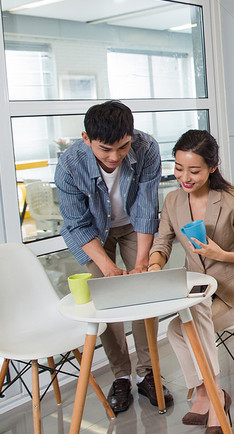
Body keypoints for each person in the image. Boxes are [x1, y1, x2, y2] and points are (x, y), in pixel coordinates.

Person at [55, 100, 172, 413]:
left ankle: (148, 373)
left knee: (144, 291)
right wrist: (108, 269)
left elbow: (148, 206)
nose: (115, 156)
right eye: (105, 148)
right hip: (93, 234)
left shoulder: (146, 147)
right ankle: (120, 374)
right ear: (86, 138)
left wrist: (140, 265)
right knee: (106, 301)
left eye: (122, 146)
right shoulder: (69, 165)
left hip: (135, 225)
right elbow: (77, 224)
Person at [148, 129, 234, 434]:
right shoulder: (173, 201)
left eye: (194, 170)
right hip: (200, 292)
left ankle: (211, 400)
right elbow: (162, 242)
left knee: (193, 320)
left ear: (212, 167)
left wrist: (221, 253)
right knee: (177, 327)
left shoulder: (233, 201)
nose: (184, 177)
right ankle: (209, 392)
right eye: (178, 167)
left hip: (233, 294)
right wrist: (153, 264)